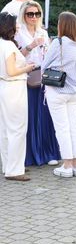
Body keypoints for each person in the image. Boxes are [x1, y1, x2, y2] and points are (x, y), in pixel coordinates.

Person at [15, 0, 61, 166]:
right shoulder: (18, 33)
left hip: (43, 76)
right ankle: (30, 154)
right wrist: (31, 45)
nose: (34, 17)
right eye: (30, 14)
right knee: (30, 115)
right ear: (24, 15)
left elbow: (48, 54)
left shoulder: (43, 32)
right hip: (26, 77)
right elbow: (15, 56)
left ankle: (48, 153)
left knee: (45, 115)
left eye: (37, 14)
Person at [42, 11, 76, 178]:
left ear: (63, 25)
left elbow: (44, 65)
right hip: (75, 91)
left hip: (57, 90)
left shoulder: (58, 42)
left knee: (62, 128)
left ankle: (67, 165)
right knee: (74, 127)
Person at [0, 12, 36, 181]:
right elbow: (12, 71)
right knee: (17, 129)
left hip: (4, 87)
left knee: (5, 129)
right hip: (14, 88)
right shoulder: (8, 45)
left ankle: (9, 165)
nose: (18, 26)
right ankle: (14, 170)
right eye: (15, 23)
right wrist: (28, 68)